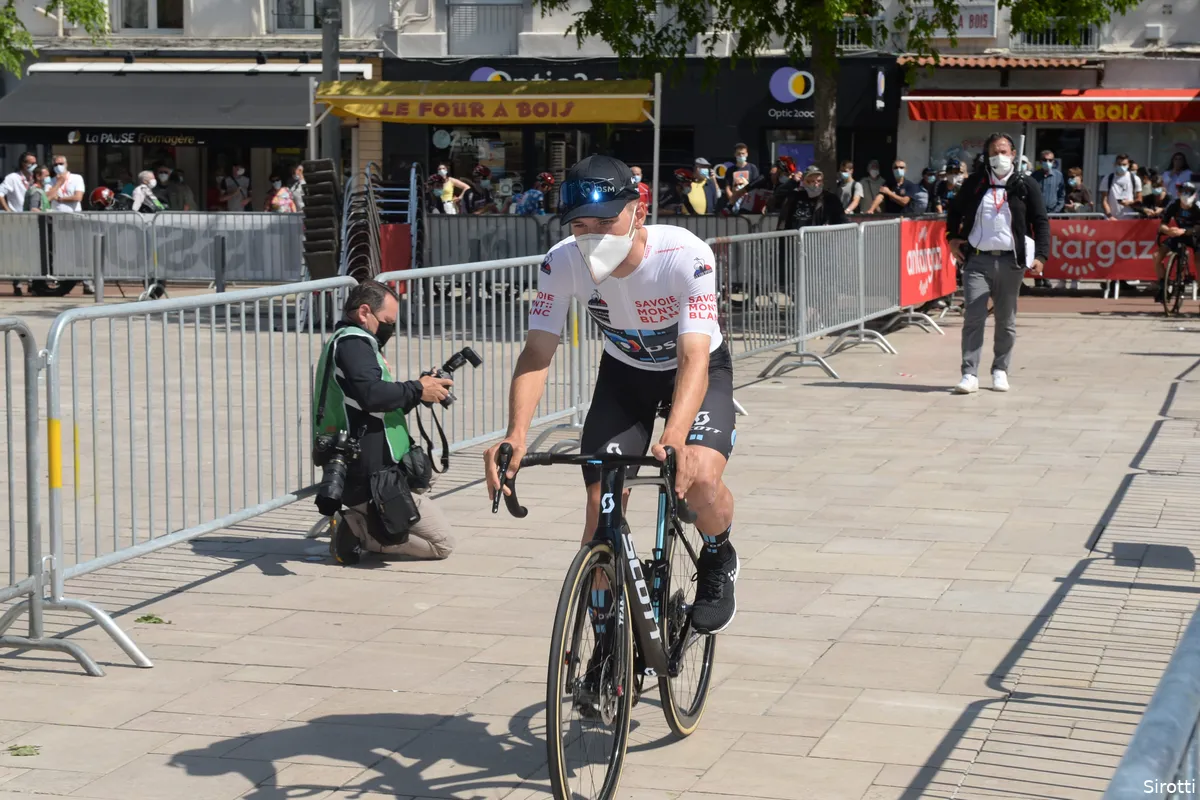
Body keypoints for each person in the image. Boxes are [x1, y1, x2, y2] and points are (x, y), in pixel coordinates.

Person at [484, 154, 739, 639]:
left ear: (637, 211)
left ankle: (718, 554)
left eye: (605, 221)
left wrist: (676, 437)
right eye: (581, 224)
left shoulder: (685, 254)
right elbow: (538, 350)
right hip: (626, 377)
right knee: (601, 506)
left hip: (697, 371)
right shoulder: (560, 263)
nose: (592, 234)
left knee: (701, 480)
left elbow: (693, 358)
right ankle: (607, 639)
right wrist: (516, 435)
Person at [315, 280, 457, 564]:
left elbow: (376, 402)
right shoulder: (353, 343)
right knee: (442, 544)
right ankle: (358, 530)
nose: (390, 328)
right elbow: (371, 395)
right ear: (365, 312)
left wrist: (420, 391)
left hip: (373, 466)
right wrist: (416, 389)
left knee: (424, 481)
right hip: (368, 473)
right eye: (387, 321)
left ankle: (366, 519)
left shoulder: (353, 340)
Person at [946, 132, 1050, 394]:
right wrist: (952, 238)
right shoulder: (976, 183)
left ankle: (1000, 370)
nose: (999, 156)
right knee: (974, 317)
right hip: (977, 261)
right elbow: (955, 210)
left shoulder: (1025, 185)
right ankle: (969, 374)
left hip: (1010, 262)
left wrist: (1041, 256)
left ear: (1014, 155)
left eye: (1004, 151)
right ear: (987, 156)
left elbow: (1040, 220)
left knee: (1006, 320)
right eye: (994, 152)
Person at [1152, 182, 1200, 304]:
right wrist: (1168, 230)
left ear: (1194, 195)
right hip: (1178, 235)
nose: (1184, 195)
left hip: (1195, 236)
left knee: (1198, 259)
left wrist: (1184, 230)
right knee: (1157, 256)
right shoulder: (1174, 205)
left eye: (1187, 192)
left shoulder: (1197, 206)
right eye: (1182, 191)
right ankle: (1164, 287)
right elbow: (1162, 224)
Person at [2, 151, 37, 295]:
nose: (32, 166)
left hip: (33, 221)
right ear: (22, 163)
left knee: (32, 252)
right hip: (17, 220)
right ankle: (17, 283)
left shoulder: (36, 178)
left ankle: (32, 281)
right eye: (30, 163)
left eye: (34, 163)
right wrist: (8, 210)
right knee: (17, 253)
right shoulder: (13, 178)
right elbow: (0, 193)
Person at [778, 165, 848, 230]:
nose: (816, 185)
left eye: (819, 181)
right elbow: (778, 196)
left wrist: (831, 228)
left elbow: (843, 222)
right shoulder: (795, 196)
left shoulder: (831, 199)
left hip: (822, 240)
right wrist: (792, 182)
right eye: (811, 181)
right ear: (804, 182)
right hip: (798, 241)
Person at [1101, 154, 1141, 220]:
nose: (1121, 166)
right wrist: (1109, 216)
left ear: (1128, 165)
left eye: (1124, 164)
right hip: (1112, 219)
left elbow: (1139, 199)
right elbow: (1104, 200)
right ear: (1115, 164)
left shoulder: (1135, 179)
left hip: (1130, 218)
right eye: (1119, 164)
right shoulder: (1107, 178)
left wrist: (1129, 202)